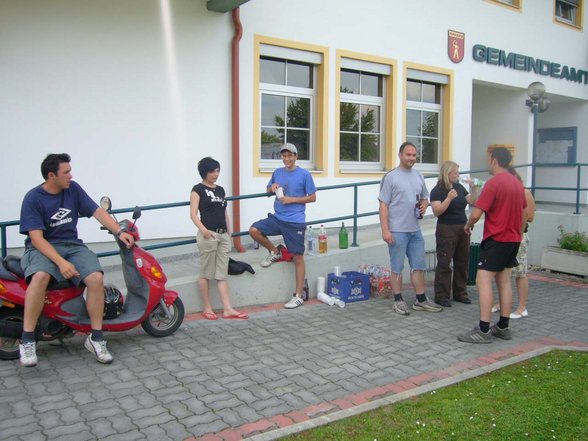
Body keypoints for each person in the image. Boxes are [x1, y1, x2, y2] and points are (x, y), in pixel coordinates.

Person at [18, 153, 135, 367]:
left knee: (96, 278)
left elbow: (98, 212)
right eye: (66, 172)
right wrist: (61, 263)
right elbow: (36, 238)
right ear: (51, 175)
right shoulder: (33, 198)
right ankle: (27, 340)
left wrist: (119, 231)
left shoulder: (73, 189)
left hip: (72, 246)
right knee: (40, 277)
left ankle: (96, 338)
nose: (71, 176)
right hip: (41, 247)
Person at [458, 147, 526, 344]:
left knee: (483, 280)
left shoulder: (494, 183)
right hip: (513, 239)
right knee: (504, 281)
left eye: (489, 159)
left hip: (497, 239)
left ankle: (483, 329)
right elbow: (523, 214)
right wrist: (519, 234)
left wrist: (468, 225)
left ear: (495, 160)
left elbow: (477, 213)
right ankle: (503, 326)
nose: (488, 163)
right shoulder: (516, 183)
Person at [249, 143, 317, 309]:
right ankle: (275, 251)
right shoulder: (278, 172)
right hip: (278, 217)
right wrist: (270, 187)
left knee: (298, 257)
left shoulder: (304, 174)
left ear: (296, 157)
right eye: (284, 156)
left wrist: (291, 200)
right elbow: (267, 190)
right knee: (253, 230)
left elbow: (313, 197)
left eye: (290, 156)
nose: (287, 159)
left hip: (295, 221)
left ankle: (298, 296)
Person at [378, 142, 443, 316]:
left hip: (415, 230)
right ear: (400, 155)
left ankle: (420, 300)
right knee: (397, 267)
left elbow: (425, 197)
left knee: (418, 266)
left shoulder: (418, 176)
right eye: (408, 155)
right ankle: (398, 300)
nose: (411, 158)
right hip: (397, 230)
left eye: (414, 155)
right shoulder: (391, 177)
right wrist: (385, 230)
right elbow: (383, 205)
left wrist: (424, 204)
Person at [190, 157, 248, 320]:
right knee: (206, 273)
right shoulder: (198, 189)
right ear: (204, 172)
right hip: (208, 235)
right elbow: (193, 214)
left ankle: (228, 309)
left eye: (217, 171)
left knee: (221, 274)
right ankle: (207, 308)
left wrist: (229, 232)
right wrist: (204, 231)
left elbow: (224, 212)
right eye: (212, 171)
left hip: (223, 236)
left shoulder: (221, 190)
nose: (216, 174)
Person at [430, 161, 479, 307]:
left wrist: (474, 188)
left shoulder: (459, 187)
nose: (458, 176)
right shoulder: (437, 190)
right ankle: (442, 295)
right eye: (455, 173)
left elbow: (473, 201)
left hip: (462, 227)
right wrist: (449, 198)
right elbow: (437, 211)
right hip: (446, 228)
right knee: (445, 262)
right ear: (447, 173)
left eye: (458, 173)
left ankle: (460, 293)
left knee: (462, 261)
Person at [492, 168, 535, 319]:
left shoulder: (524, 192)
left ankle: (522, 307)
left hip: (519, 237)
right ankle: (502, 303)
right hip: (506, 237)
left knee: (520, 272)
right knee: (504, 273)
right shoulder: (508, 192)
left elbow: (530, 216)